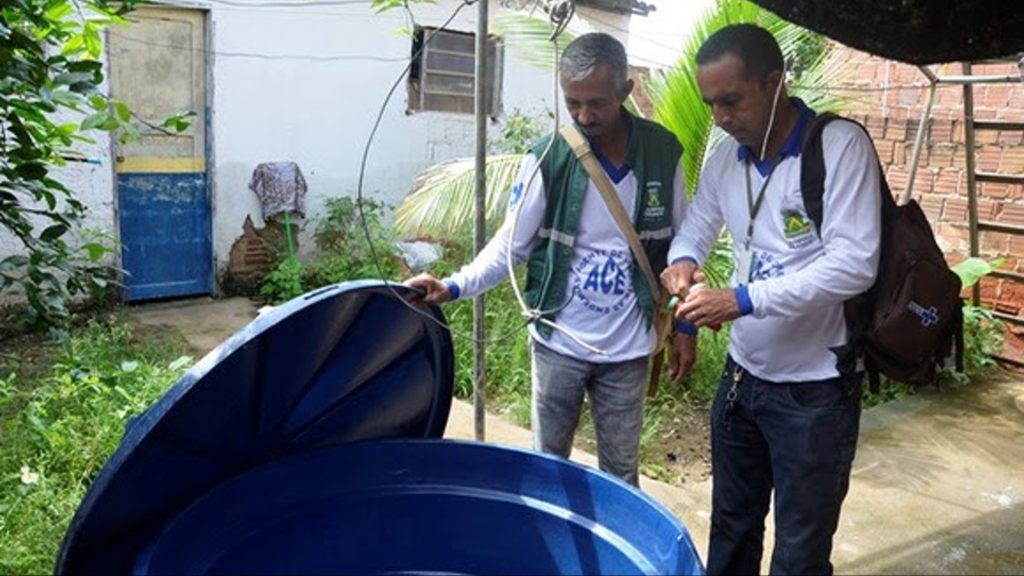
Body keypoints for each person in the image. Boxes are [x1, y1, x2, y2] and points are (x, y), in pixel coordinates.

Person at [406, 32, 694, 486]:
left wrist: (685, 325)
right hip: (558, 343)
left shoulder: (662, 153)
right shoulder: (549, 157)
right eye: (572, 102)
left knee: (621, 473)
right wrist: (454, 285)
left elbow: (685, 244)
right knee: (548, 468)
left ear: (625, 90)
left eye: (596, 102)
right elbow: (510, 245)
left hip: (630, 349)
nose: (583, 115)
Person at [659, 24, 882, 575]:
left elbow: (856, 264)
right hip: (741, 383)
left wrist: (742, 299)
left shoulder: (837, 147)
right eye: (710, 103)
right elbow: (695, 230)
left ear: (776, 83)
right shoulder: (725, 158)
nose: (720, 117)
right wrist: (682, 264)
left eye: (731, 100)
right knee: (732, 529)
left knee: (800, 553)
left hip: (815, 395)